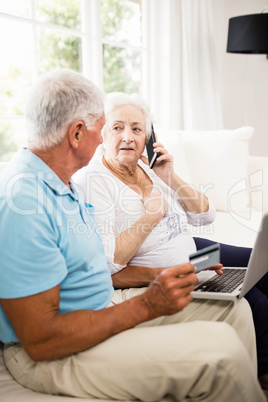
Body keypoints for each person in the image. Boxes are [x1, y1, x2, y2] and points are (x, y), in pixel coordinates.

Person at [0, 70, 265, 402]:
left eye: (136, 129)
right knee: (223, 355)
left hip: (101, 307)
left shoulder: (62, 183)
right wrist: (148, 303)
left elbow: (97, 266)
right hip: (53, 351)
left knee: (237, 310)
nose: (110, 140)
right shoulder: (25, 200)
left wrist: (158, 279)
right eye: (106, 127)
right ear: (77, 133)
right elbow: (40, 340)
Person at [73, 92, 268, 387]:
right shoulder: (94, 181)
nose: (128, 137)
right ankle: (259, 374)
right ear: (102, 134)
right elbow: (107, 262)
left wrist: (170, 177)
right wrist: (151, 214)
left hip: (194, 251)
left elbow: (206, 216)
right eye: (118, 127)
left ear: (148, 137)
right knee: (256, 300)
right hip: (169, 269)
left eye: (137, 129)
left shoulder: (146, 168)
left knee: (262, 265)